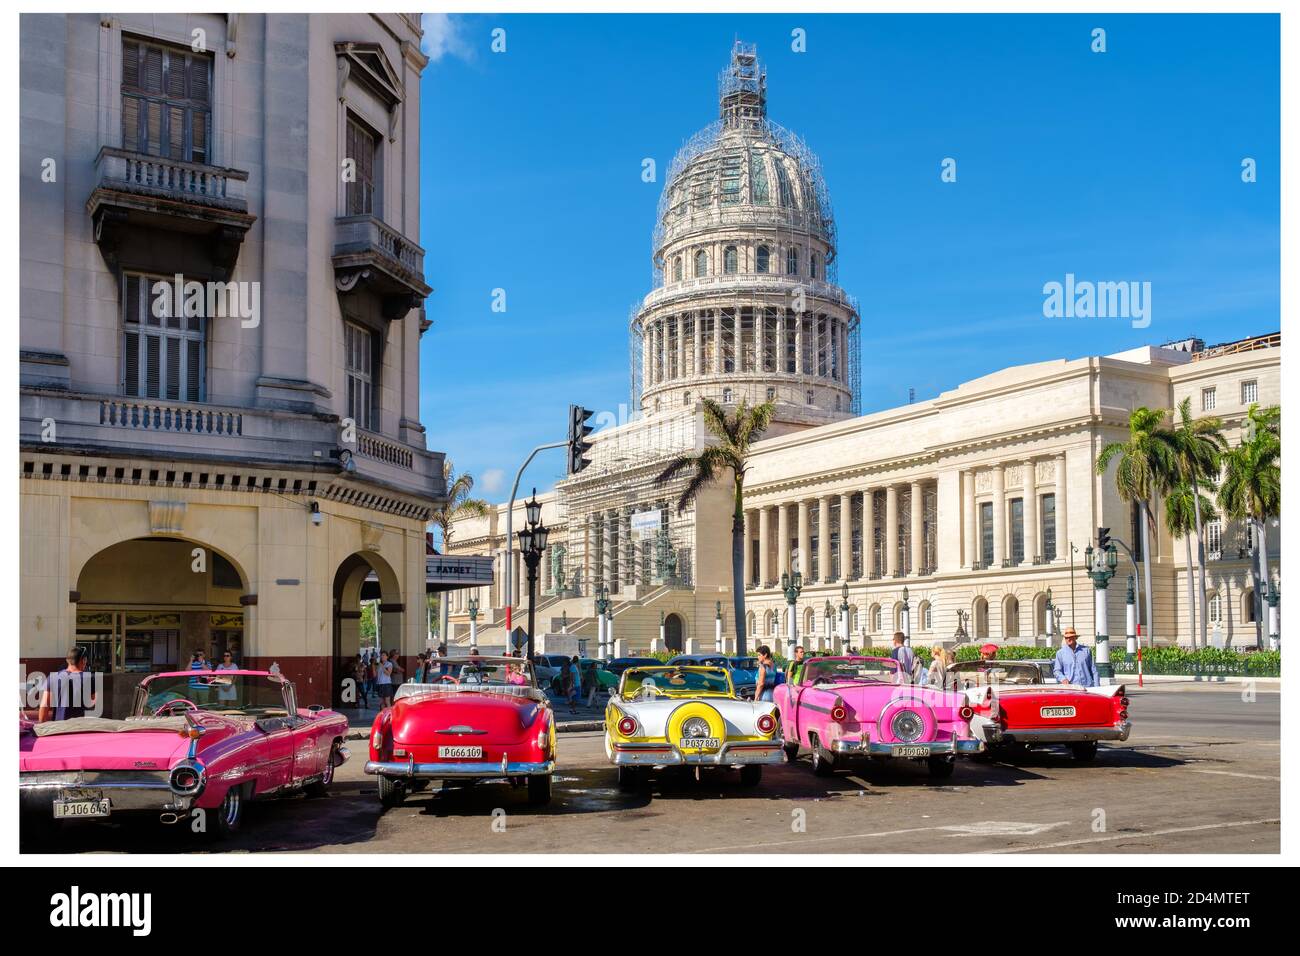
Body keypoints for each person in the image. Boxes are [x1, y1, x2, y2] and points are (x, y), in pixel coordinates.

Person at [38, 646, 96, 722]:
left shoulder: (53, 678)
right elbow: (92, 702)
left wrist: (41, 726)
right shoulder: (89, 679)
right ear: (83, 661)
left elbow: (44, 706)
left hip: (58, 728)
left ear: (67, 660)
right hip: (81, 728)